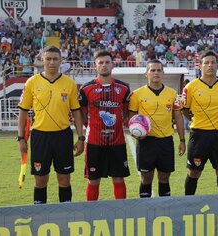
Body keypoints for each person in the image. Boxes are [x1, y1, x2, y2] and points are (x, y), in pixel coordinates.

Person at [17, 46, 85, 204]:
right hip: (40, 136)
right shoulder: (32, 82)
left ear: (61, 61)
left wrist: (81, 138)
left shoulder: (69, 83)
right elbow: (23, 112)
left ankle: (66, 213)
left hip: (63, 136)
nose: (52, 62)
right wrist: (21, 138)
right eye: (48, 59)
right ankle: (40, 214)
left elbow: (76, 113)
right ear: (42, 60)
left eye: (55, 59)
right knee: (40, 180)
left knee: (64, 179)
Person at [129, 59, 186, 198]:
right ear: (146, 74)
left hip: (165, 141)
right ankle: (145, 209)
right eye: (152, 70)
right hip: (146, 142)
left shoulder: (172, 94)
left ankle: (164, 208)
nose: (156, 73)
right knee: (146, 179)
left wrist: (182, 140)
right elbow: (131, 118)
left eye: (159, 70)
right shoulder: (137, 94)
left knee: (164, 178)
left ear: (163, 73)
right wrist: (136, 134)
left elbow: (178, 117)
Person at [79, 50, 130, 201]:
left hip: (117, 142)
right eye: (100, 62)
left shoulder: (124, 88)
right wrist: (91, 126)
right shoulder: (86, 89)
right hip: (95, 143)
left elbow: (128, 112)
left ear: (112, 65)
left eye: (107, 62)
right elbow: (82, 113)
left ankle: (121, 211)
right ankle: (91, 213)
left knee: (119, 179)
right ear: (95, 66)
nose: (104, 65)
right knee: (93, 180)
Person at [182, 51, 218, 195]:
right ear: (200, 66)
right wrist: (196, 120)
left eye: (213, 62)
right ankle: (188, 204)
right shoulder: (190, 87)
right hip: (198, 135)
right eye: (206, 63)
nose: (210, 65)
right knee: (194, 172)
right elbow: (185, 110)